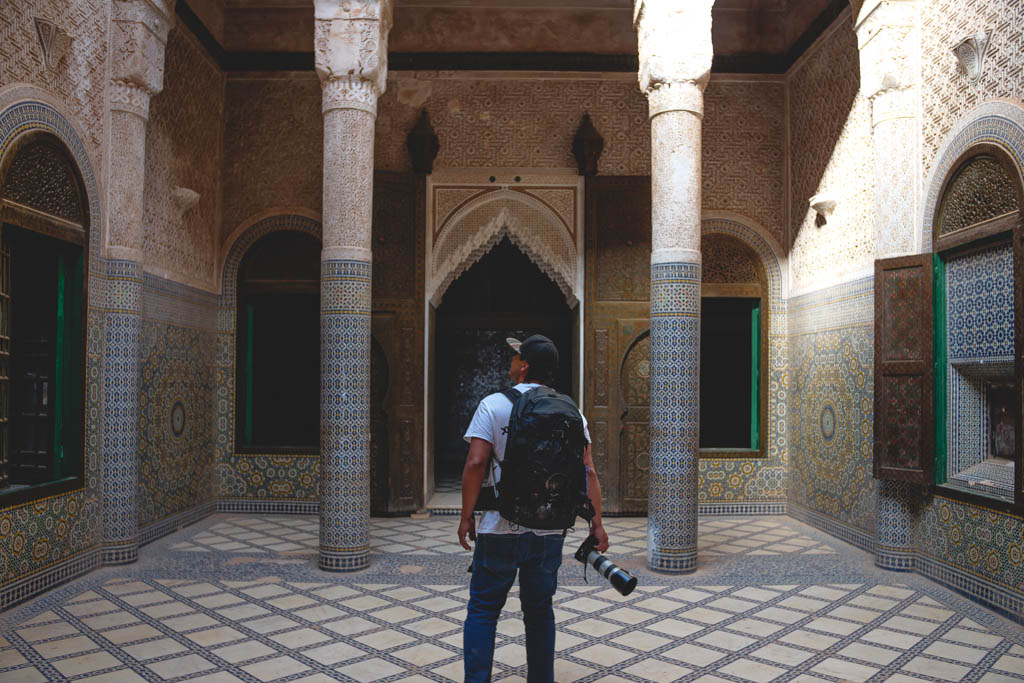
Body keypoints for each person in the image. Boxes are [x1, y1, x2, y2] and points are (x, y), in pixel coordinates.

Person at [458, 334, 609, 683]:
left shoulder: (493, 405)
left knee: (483, 610)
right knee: (540, 612)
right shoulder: (572, 411)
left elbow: (476, 461)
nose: (511, 363)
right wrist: (596, 525)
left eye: (515, 358)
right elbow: (588, 471)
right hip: (549, 527)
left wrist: (467, 516)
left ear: (524, 366)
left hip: (498, 526)